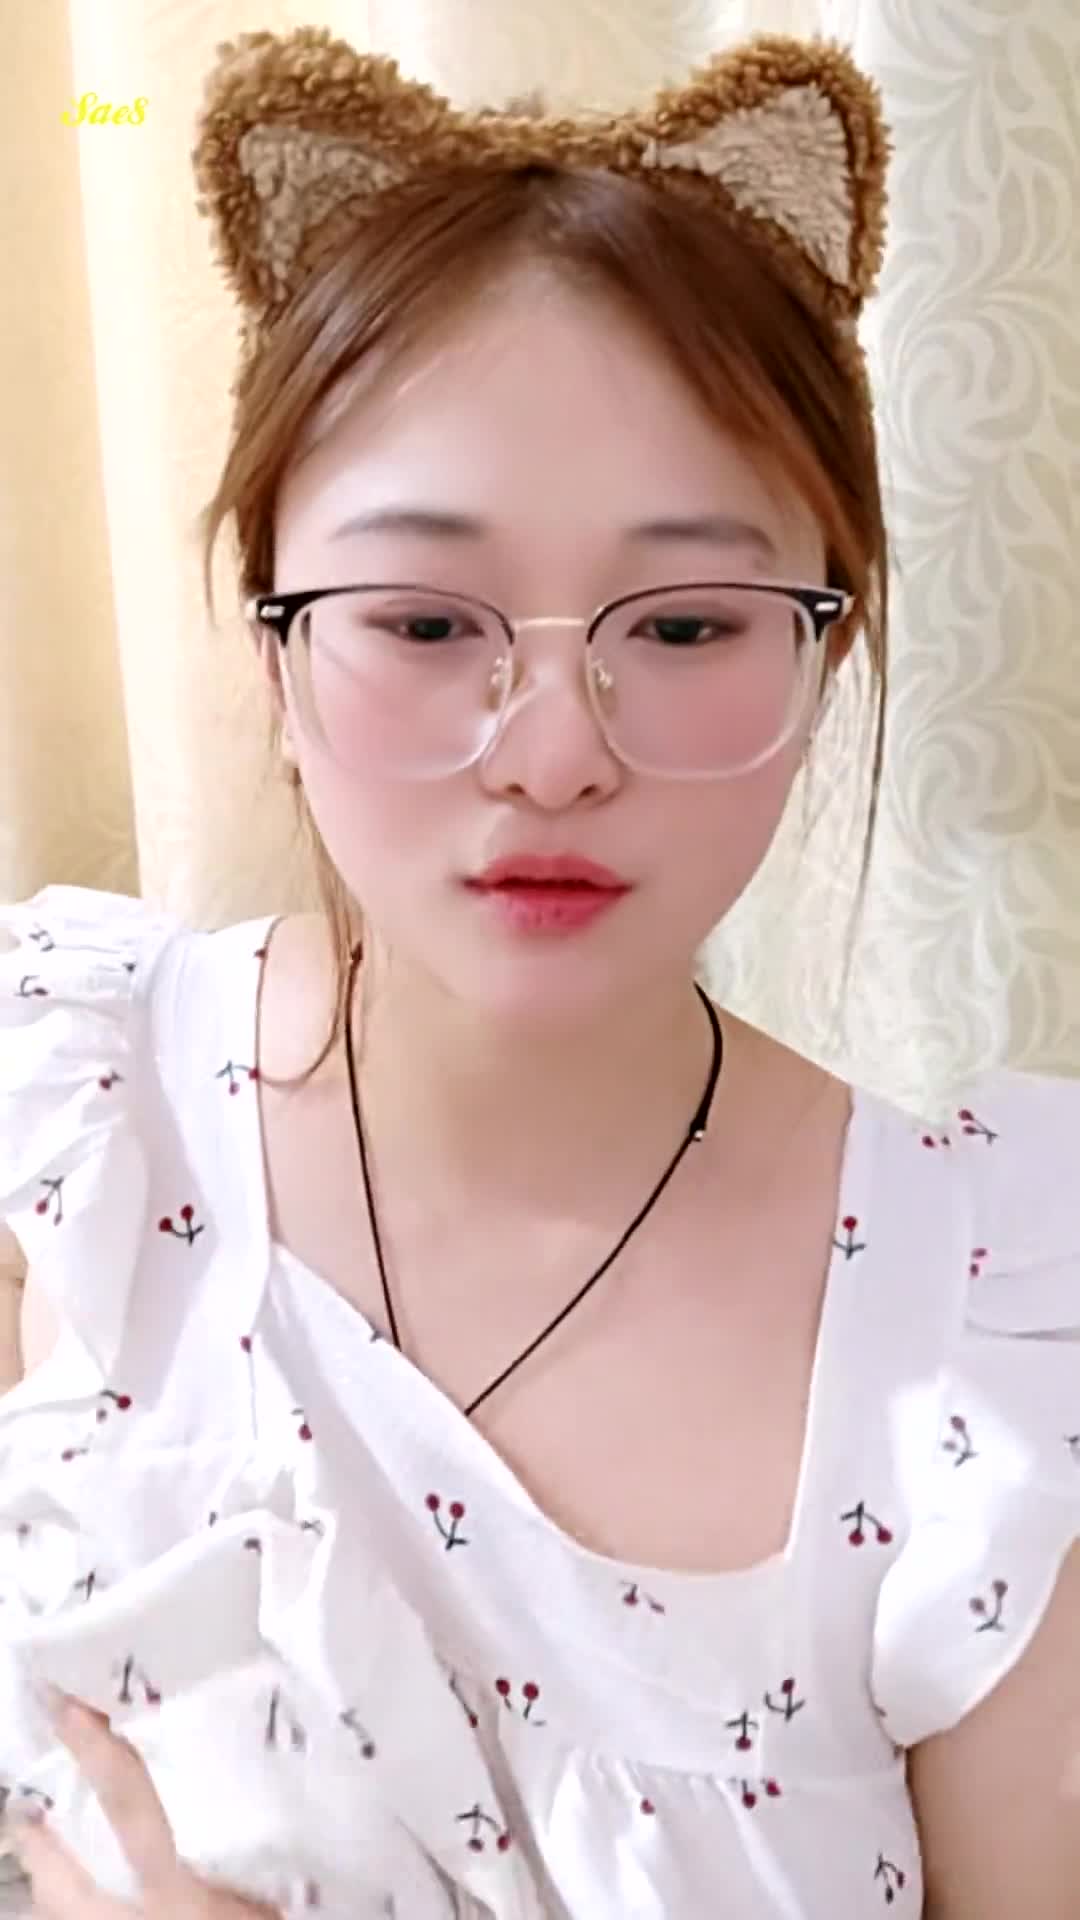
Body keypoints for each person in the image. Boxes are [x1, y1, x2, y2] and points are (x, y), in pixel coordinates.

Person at [0, 22, 1077, 1920]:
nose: (556, 752)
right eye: (424, 621)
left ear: (825, 651)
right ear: (270, 644)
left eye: (687, 624)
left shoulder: (986, 1331)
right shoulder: (70, 1125)